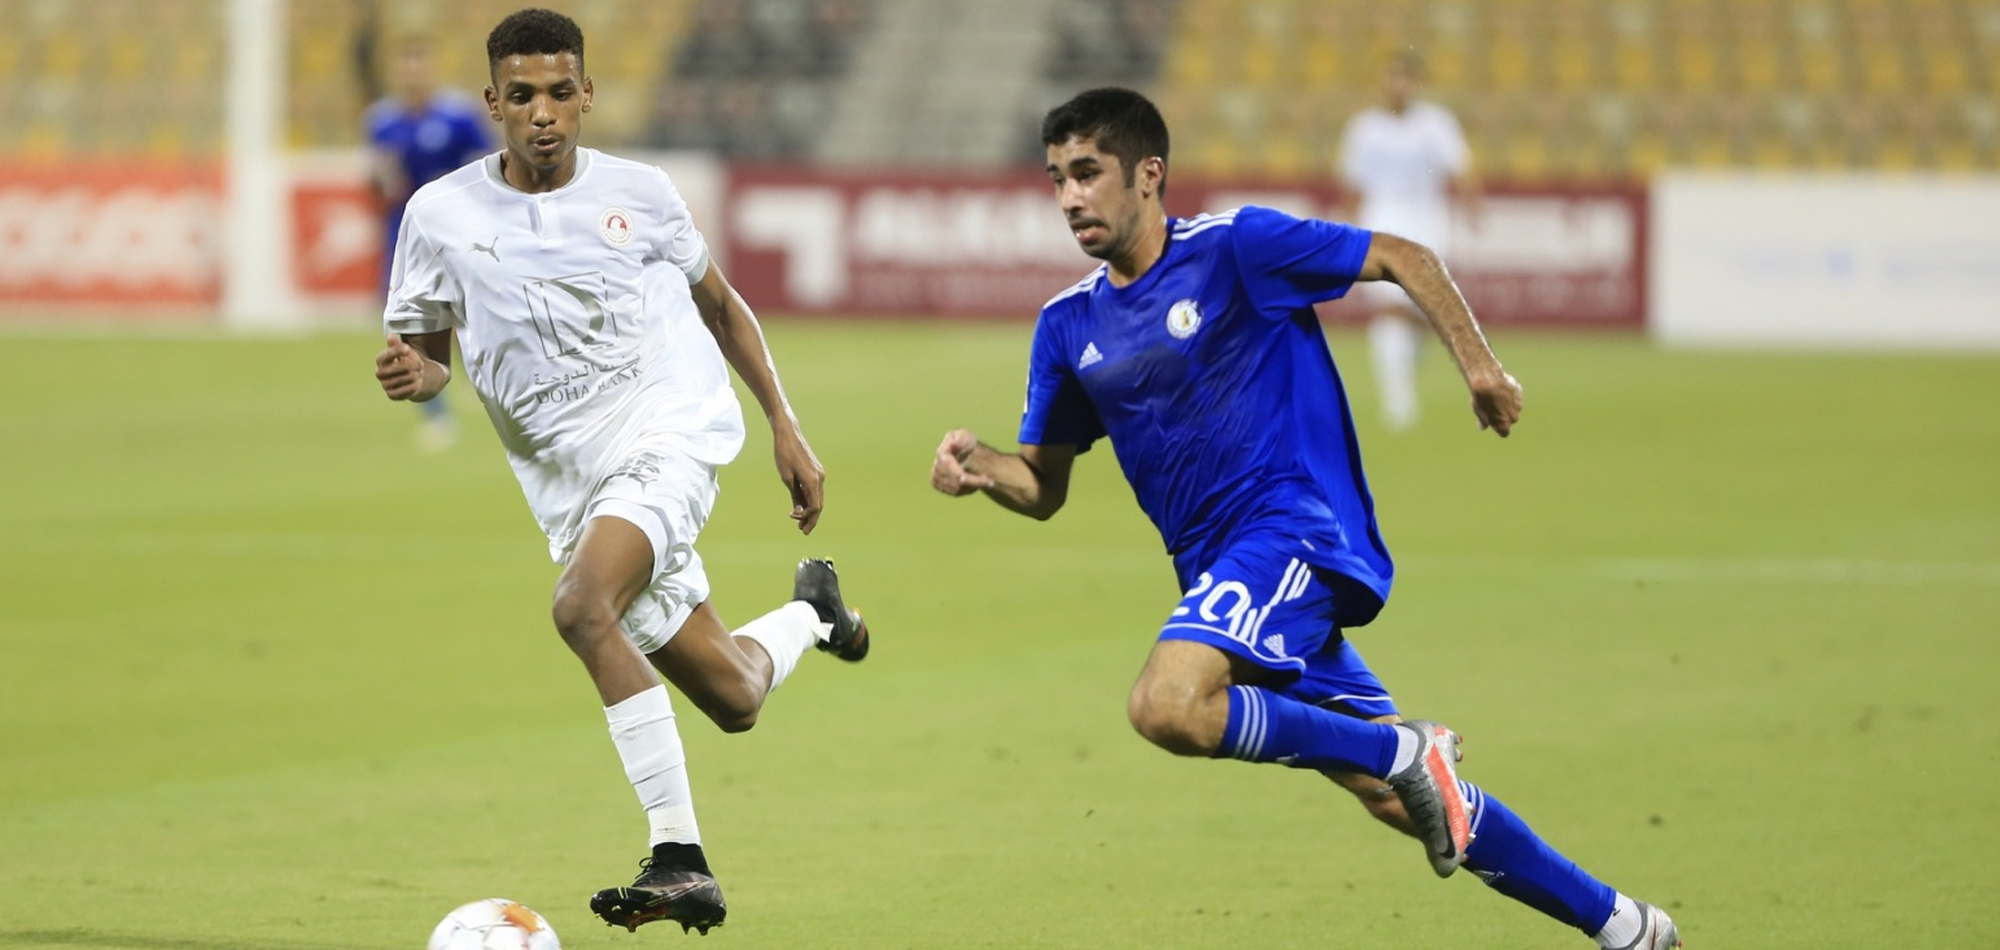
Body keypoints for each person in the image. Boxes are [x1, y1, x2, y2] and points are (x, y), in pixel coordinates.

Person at [929, 88, 1680, 950]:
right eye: (1057, 179)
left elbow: (1404, 255)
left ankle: (1401, 748)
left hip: (1293, 530)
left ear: (1149, 174)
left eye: (1088, 174)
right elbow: (1043, 485)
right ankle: (1628, 926)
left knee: (1167, 706)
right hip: (1222, 575)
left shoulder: (1238, 248)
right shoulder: (1066, 326)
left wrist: (1481, 368)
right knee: (1404, 799)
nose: (1069, 198)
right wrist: (983, 467)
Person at [371, 8, 870, 936]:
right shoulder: (437, 216)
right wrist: (419, 375)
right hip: (571, 487)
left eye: (561, 92)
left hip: (669, 432)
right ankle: (816, 611)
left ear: (587, 95)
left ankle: (679, 856)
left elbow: (722, 307)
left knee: (579, 607)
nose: (544, 113)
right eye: (522, 96)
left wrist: (785, 427)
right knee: (734, 697)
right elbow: (432, 352)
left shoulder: (641, 193)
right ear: (493, 103)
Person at [1335, 51, 1482, 432]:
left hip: (1427, 216)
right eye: (1392, 77)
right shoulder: (1364, 128)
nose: (1398, 85)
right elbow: (1353, 182)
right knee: (1388, 306)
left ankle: (1404, 376)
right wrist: (1346, 228)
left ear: (1415, 83)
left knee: (1421, 310)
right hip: (1383, 215)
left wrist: (1471, 205)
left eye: (1405, 78)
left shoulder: (1436, 124)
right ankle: (1397, 397)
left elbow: (1461, 167)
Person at [365, 34, 494, 452]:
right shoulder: (382, 121)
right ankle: (436, 415)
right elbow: (377, 179)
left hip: (457, 233)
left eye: (419, 65)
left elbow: (485, 168)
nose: (412, 74)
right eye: (406, 67)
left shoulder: (458, 117)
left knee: (469, 316)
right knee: (409, 324)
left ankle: (483, 381)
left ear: (430, 70)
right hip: (405, 237)